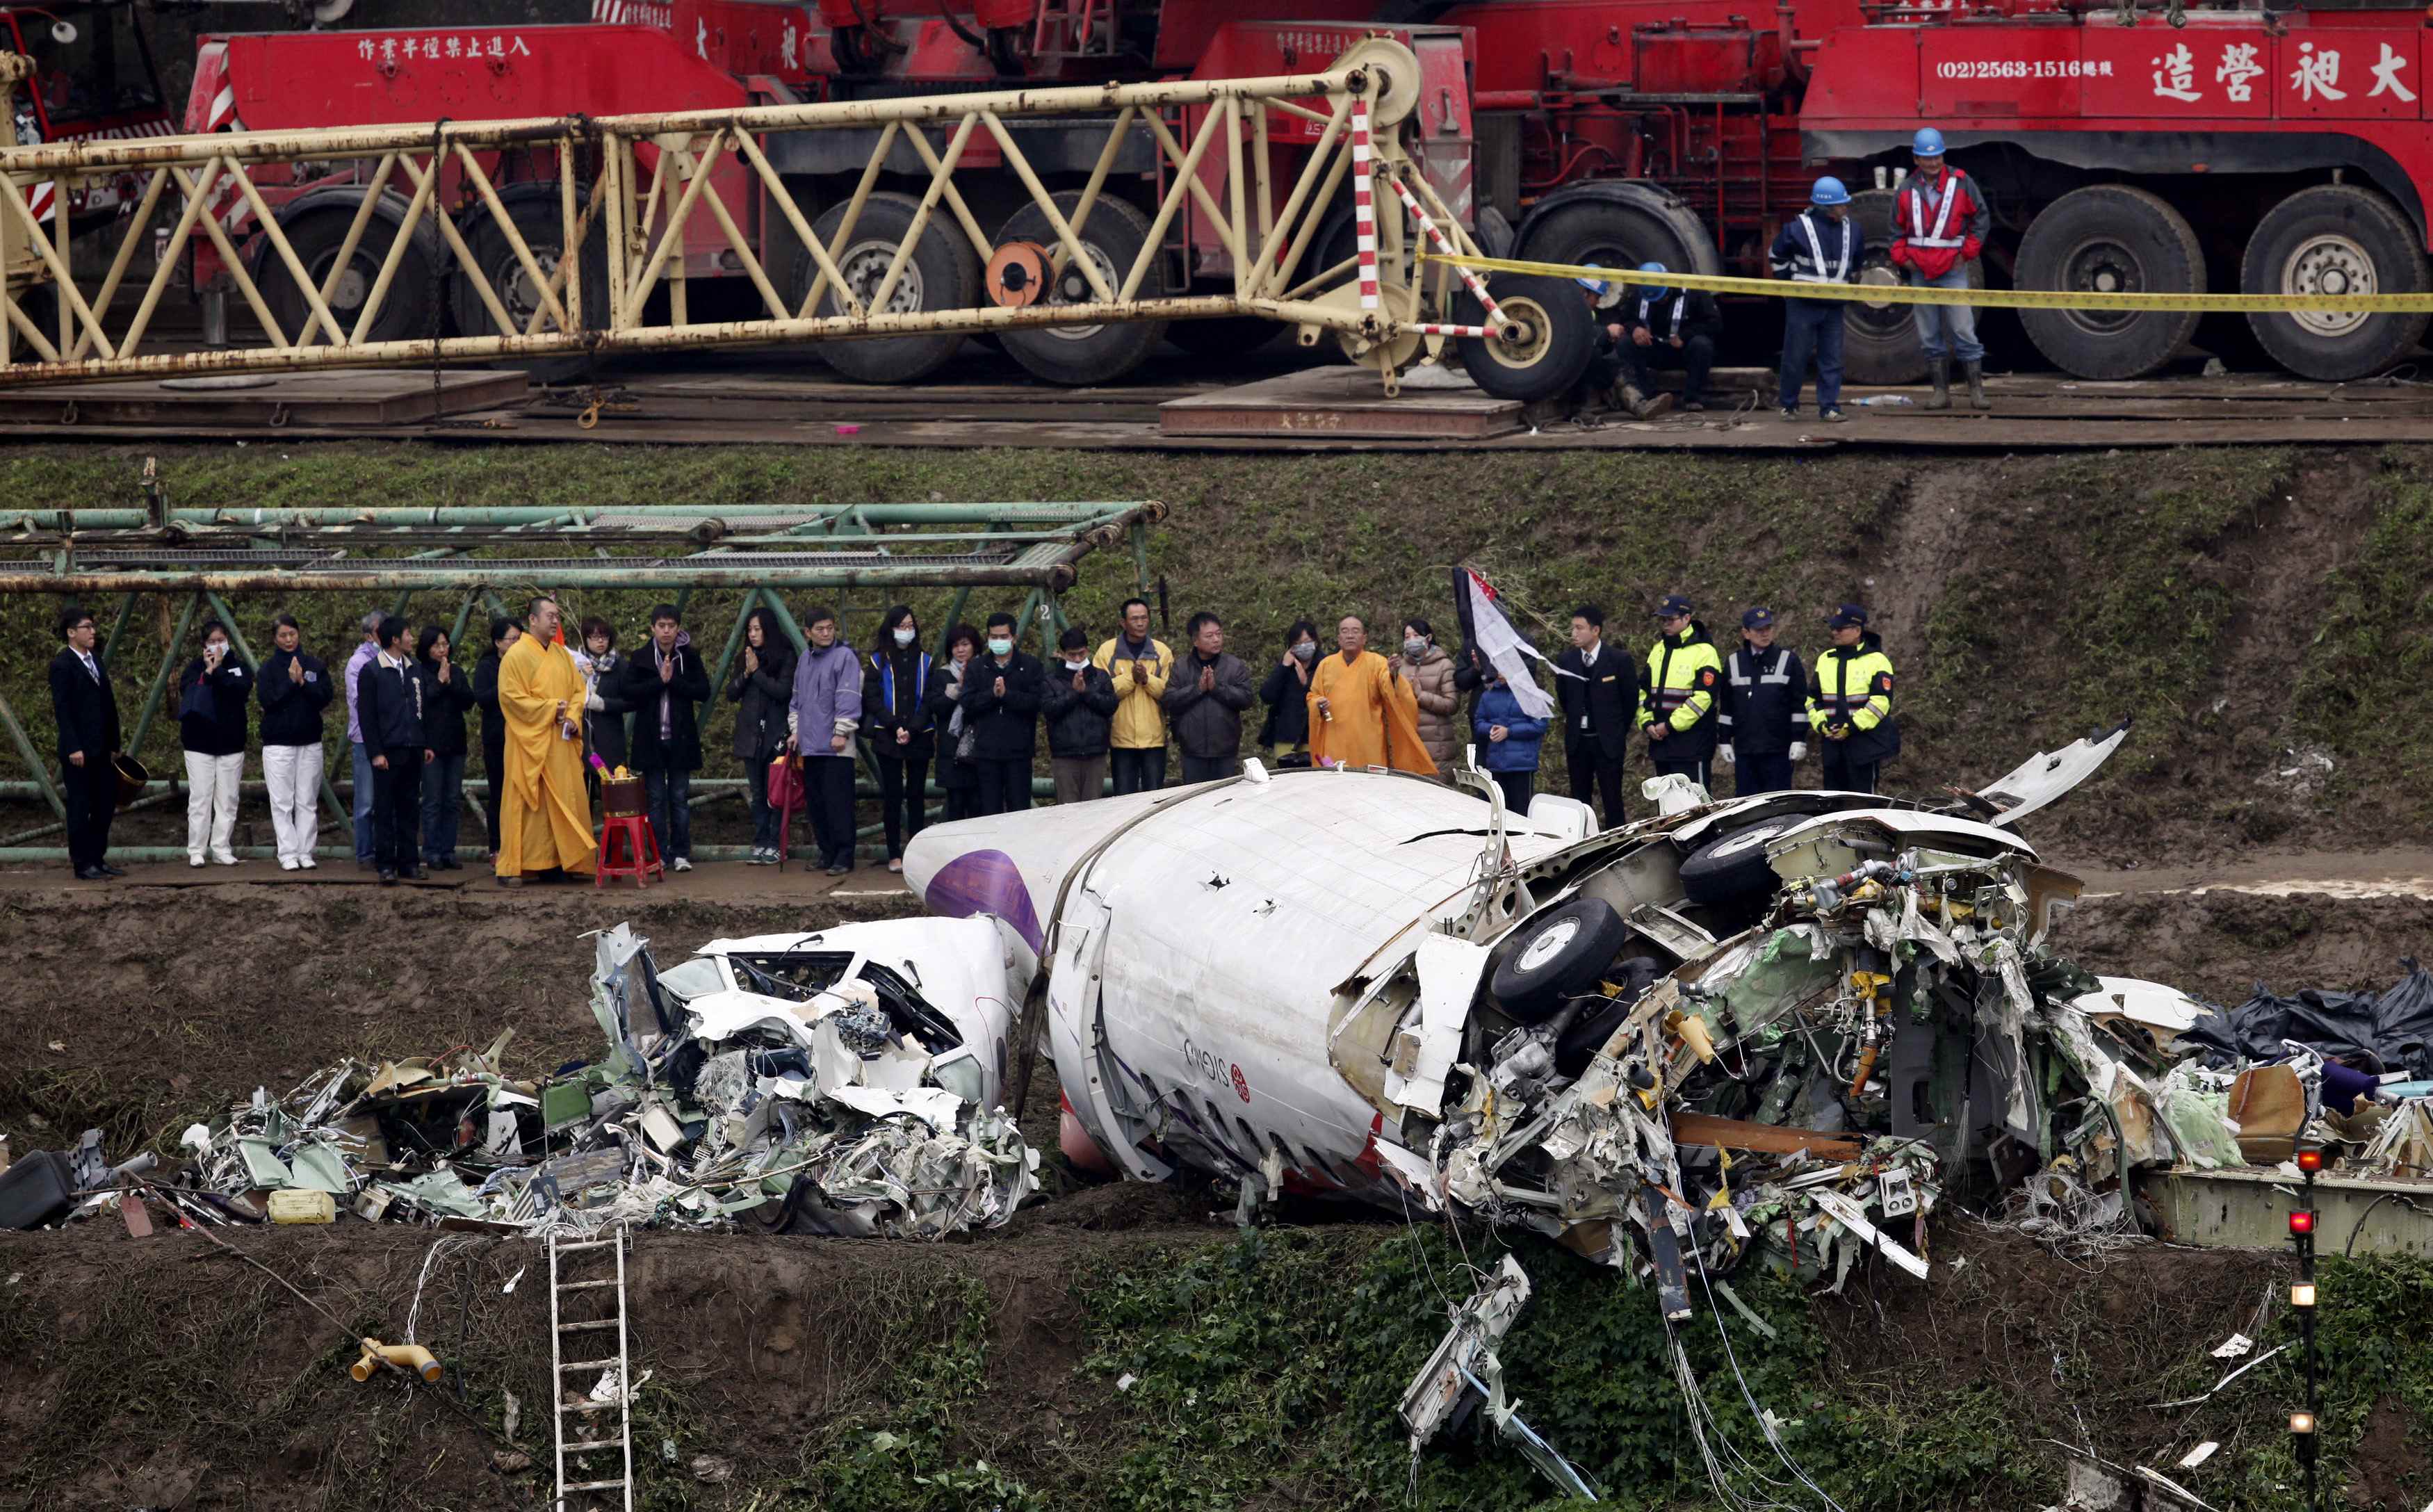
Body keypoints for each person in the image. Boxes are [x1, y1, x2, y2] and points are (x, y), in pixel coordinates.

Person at [1890, 127, 1992, 413]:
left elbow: (1980, 219)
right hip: (1920, 272)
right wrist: (1905, 261)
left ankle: (1976, 392)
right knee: (1929, 334)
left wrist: (1966, 254)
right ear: (1916, 159)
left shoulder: (1962, 183)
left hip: (1953, 270)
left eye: (1936, 157)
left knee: (1963, 330)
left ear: (1943, 155)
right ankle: (1940, 394)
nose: (1932, 163)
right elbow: (1895, 231)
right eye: (1926, 158)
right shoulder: (1906, 190)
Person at [494, 595, 594, 886]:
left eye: (557, 616)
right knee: (529, 804)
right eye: (549, 615)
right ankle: (517, 864)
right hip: (530, 742)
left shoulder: (562, 655)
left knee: (563, 800)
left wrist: (573, 714)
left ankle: (559, 861)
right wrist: (551, 708)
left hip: (559, 743)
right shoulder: (516, 656)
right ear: (533, 620)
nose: (555, 620)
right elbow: (510, 699)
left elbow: (578, 691)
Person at [621, 603, 710, 873]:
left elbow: (703, 691)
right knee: (657, 799)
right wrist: (659, 681)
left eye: (671, 626)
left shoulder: (690, 657)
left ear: (678, 628)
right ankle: (658, 853)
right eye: (661, 626)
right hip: (651, 740)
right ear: (652, 628)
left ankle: (682, 852)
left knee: (680, 798)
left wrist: (673, 682)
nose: (667, 631)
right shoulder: (640, 657)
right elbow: (628, 691)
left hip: (680, 738)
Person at [1771, 176, 1864, 423]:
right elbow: (1777, 256)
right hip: (1803, 304)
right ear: (1826, 207)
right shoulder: (1797, 228)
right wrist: (1788, 286)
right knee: (1795, 356)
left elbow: (1857, 262)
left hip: (1834, 306)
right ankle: (1789, 405)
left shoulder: (1853, 229)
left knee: (1832, 359)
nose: (1846, 208)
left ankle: (1829, 407)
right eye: (1841, 204)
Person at [47, 605, 124, 881]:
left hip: (102, 747)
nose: (92, 632)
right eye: (86, 627)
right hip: (79, 749)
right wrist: (73, 746)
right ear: (71, 633)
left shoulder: (96, 660)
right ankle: (82, 863)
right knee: (80, 806)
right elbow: (63, 710)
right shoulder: (62, 665)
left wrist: (115, 740)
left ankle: (97, 857)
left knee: (104, 805)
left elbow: (108, 704)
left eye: (93, 627)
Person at [1306, 615, 1434, 774]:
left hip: (1368, 744)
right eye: (1345, 632)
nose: (1350, 635)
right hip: (1334, 742)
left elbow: (1391, 691)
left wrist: (1393, 675)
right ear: (1339, 639)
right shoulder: (1326, 665)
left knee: (1370, 791)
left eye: (1355, 631)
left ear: (1364, 638)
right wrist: (1317, 703)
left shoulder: (1377, 663)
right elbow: (1313, 696)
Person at [787, 605, 862, 876]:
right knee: (817, 803)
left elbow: (848, 695)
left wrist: (842, 731)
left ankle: (844, 855)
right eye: (820, 629)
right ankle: (826, 851)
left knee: (838, 802)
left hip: (836, 747)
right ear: (808, 632)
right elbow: (796, 700)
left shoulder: (845, 657)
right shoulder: (804, 659)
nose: (826, 633)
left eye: (830, 628)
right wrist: (796, 730)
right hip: (810, 745)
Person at [257, 615, 332, 871]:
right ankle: (288, 852)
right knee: (282, 802)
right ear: (275, 638)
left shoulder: (314, 665)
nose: (289, 640)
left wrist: (302, 682)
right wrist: (291, 683)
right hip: (279, 744)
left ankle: (305, 851)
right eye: (283, 636)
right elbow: (268, 701)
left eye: (292, 634)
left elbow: (324, 697)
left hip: (310, 742)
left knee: (307, 800)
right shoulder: (268, 670)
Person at [355, 615, 426, 884]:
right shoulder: (372, 671)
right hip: (388, 751)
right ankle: (386, 864)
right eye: (408, 634)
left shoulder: (414, 668)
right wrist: (376, 752)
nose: (411, 638)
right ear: (395, 639)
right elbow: (367, 716)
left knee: (409, 808)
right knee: (384, 809)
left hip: (412, 748)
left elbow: (421, 709)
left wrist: (424, 741)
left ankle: (409, 862)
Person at [177, 619, 252, 868]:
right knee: (200, 798)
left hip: (231, 743)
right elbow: (189, 693)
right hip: (199, 743)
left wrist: (219, 670)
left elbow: (240, 691)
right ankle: (197, 850)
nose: (218, 645)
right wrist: (209, 671)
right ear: (203, 644)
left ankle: (221, 847)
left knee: (228, 799)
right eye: (212, 641)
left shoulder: (238, 667)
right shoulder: (194, 668)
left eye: (221, 640)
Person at [861, 605, 929, 872]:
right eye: (901, 626)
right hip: (887, 736)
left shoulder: (926, 660)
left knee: (916, 796)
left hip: (919, 735)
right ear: (891, 629)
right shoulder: (879, 661)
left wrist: (912, 728)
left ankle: (916, 854)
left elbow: (929, 700)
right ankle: (894, 853)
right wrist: (894, 726)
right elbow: (872, 697)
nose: (906, 631)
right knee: (892, 796)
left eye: (910, 626)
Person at [1554, 605, 1634, 827]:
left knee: (1612, 798)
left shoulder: (1619, 660)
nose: (1574, 634)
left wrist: (1616, 731)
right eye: (1573, 628)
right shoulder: (1566, 661)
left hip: (1607, 742)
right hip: (1578, 741)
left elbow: (1629, 702)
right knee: (1579, 801)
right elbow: (1564, 699)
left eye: (1580, 628)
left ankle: (1618, 845)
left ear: (1596, 630)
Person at [1717, 607, 1809, 799]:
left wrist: (1798, 739)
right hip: (1745, 750)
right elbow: (1727, 707)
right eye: (1759, 629)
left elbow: (1799, 704)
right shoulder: (1734, 662)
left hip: (1778, 749)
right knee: (1746, 804)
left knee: (1778, 803)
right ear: (1746, 633)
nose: (1765, 633)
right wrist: (1724, 740)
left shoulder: (1788, 661)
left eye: (1768, 628)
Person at [1807, 603, 1898, 795]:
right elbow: (1812, 700)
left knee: (1863, 803)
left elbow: (1880, 703)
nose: (1835, 632)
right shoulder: (1825, 659)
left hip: (1863, 746)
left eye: (1840, 628)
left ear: (1857, 630)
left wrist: (1851, 728)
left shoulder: (1877, 660)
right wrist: (1822, 725)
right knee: (1832, 803)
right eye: (1833, 628)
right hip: (1832, 746)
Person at [729, 607, 795, 866]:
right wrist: (747, 673)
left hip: (775, 735)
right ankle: (761, 841)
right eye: (750, 630)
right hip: (750, 735)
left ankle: (776, 843)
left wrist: (757, 673)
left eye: (758, 629)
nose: (753, 635)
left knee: (774, 792)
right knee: (757, 793)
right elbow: (731, 693)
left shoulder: (786, 657)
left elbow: (782, 691)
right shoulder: (744, 658)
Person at [1638, 594, 1723, 792]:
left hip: (1693, 744)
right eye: (1663, 620)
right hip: (1661, 743)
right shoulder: (1657, 650)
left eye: (1671, 619)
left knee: (1697, 804)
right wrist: (1647, 722)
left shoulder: (1704, 652)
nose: (1666, 624)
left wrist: (1670, 725)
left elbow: (1704, 698)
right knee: (1666, 807)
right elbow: (1643, 691)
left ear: (1687, 619)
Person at [964, 612, 1044, 815]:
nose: (998, 641)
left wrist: (1007, 695)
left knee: (1019, 810)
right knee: (989, 811)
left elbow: (1036, 703)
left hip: (1018, 751)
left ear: (1014, 638)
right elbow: (968, 704)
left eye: (1003, 637)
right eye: (994, 637)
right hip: (986, 752)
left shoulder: (1031, 666)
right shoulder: (976, 667)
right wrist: (992, 695)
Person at [1616, 261, 1720, 414]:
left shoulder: (1694, 291)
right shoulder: (1642, 292)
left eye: (1662, 298)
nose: (1659, 302)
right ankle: (1645, 398)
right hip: (1653, 348)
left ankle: (1692, 398)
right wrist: (1635, 329)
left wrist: (1685, 336)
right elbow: (1624, 318)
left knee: (1702, 345)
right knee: (1624, 343)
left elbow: (1715, 323)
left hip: (1682, 351)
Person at [1164, 612, 1256, 783]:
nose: (1216, 639)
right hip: (1192, 750)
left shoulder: (1234, 666)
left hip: (1225, 749)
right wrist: (1198, 689)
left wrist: (1216, 688)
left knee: (1224, 800)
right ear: (1195, 640)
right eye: (1209, 636)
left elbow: (1247, 699)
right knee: (1195, 800)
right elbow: (1169, 700)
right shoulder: (1181, 667)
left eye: (1219, 634)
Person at [414, 626, 478, 872]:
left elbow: (468, 701)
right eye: (437, 645)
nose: (442, 649)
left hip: (455, 744)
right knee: (432, 800)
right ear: (427, 648)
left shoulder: (457, 671)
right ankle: (432, 851)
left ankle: (448, 850)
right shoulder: (418, 672)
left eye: (445, 644)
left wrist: (451, 683)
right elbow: (423, 703)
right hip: (431, 746)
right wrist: (440, 683)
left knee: (452, 800)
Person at [1095, 599, 1172, 796]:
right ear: (1123, 623)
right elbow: (1100, 691)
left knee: (1155, 798)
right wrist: (1131, 678)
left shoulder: (1161, 652)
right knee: (1124, 799)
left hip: (1153, 740)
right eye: (1135, 618)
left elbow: (1169, 693)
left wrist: (1146, 679)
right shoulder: (1107, 652)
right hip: (1121, 741)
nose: (1140, 623)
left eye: (1144, 618)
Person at [1043, 626, 1118, 804]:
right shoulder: (1051, 680)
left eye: (1081, 654)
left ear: (1088, 651)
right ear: (1062, 654)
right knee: (1068, 809)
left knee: (1093, 808)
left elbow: (1110, 705)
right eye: (1072, 655)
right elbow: (1049, 710)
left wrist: (1086, 693)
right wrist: (1073, 694)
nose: (1077, 659)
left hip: (1095, 753)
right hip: (1065, 755)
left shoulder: (1100, 677)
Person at [473, 616, 522, 861]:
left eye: (520, 639)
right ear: (498, 643)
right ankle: (498, 848)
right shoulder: (488, 666)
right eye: (512, 639)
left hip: (524, 737)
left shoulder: (526, 662)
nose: (517, 643)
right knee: (500, 794)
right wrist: (506, 686)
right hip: (498, 738)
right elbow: (481, 698)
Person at [926, 624, 984, 822]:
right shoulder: (942, 675)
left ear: (974, 646)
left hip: (981, 749)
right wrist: (958, 688)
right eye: (955, 646)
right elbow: (937, 707)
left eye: (965, 644)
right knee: (956, 807)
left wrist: (971, 685)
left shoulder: (985, 671)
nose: (960, 650)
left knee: (980, 806)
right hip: (952, 752)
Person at [1474, 667, 1549, 817]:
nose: (1500, 675)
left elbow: (1540, 724)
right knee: (1500, 813)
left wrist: (1509, 732)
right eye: (1498, 671)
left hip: (1521, 765)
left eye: (1504, 670)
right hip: (1496, 764)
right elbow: (1478, 723)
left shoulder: (1531, 695)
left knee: (1521, 812)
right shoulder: (1488, 695)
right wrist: (1491, 729)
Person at [342, 610, 382, 868]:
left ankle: (385, 851)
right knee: (366, 801)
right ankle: (366, 854)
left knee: (385, 800)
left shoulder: (395, 659)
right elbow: (362, 702)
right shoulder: (358, 663)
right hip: (364, 739)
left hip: (389, 738)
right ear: (369, 635)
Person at [1397, 619, 1460, 779]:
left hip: (1437, 747)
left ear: (1428, 638)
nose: (1411, 640)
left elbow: (1452, 704)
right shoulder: (1402, 666)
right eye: (1407, 637)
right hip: (1409, 743)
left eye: (1416, 635)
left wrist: (1420, 695)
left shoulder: (1444, 665)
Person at [573, 618, 630, 796]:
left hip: (610, 740)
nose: (600, 641)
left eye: (604, 637)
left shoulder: (620, 665)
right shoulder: (575, 663)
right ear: (585, 639)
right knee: (582, 794)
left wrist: (603, 704)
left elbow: (631, 701)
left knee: (614, 795)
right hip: (581, 739)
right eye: (594, 637)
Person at [1258, 620, 1321, 766]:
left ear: (1316, 642)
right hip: (1285, 737)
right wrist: (1283, 667)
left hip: (1315, 736)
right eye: (1298, 643)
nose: (1303, 646)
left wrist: (1307, 684)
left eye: (1307, 642)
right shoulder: (1286, 667)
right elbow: (1266, 696)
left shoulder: (1325, 664)